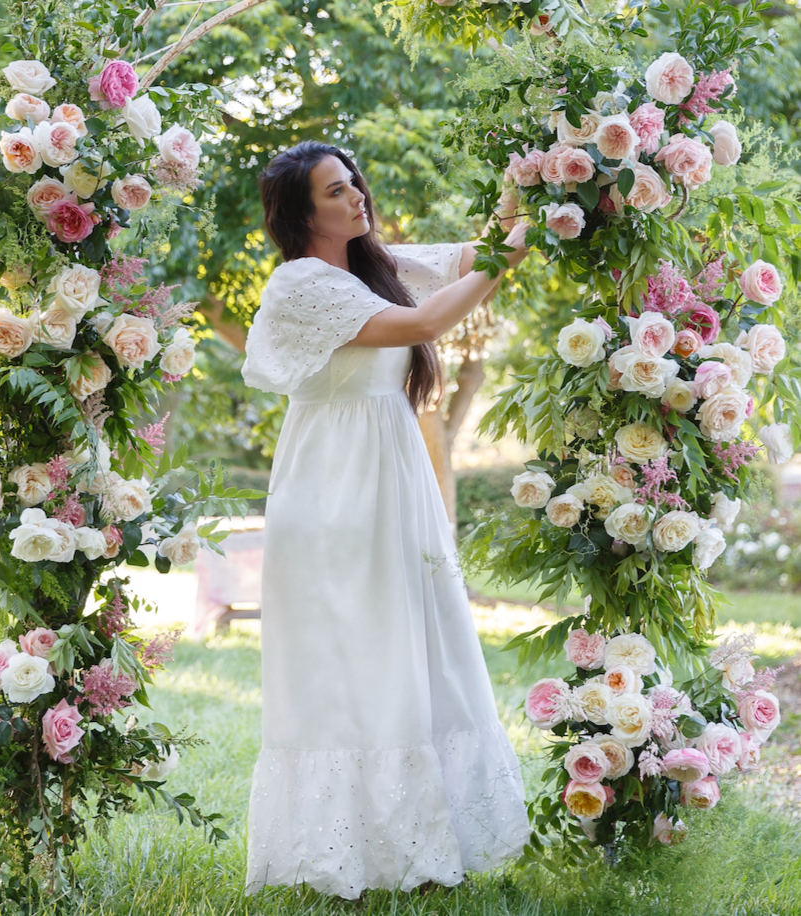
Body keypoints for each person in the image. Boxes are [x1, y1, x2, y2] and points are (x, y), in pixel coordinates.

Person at [241, 140, 531, 899]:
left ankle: (425, 835)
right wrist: (510, 256)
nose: (357, 196)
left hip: (389, 474)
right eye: (336, 191)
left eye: (354, 182)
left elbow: (473, 256)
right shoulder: (302, 283)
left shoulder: (371, 262)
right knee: (355, 657)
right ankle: (354, 852)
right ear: (302, 213)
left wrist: (523, 185)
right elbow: (424, 323)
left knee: (416, 641)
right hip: (335, 488)